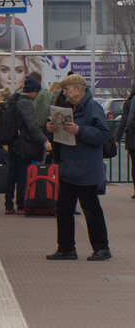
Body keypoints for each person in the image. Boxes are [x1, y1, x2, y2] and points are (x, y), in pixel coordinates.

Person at [45, 74, 111, 261]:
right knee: (63, 210)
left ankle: (102, 248)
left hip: (87, 168)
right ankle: (66, 248)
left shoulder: (92, 108)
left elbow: (103, 135)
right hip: (68, 167)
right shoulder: (66, 108)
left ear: (80, 89)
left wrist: (80, 130)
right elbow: (57, 136)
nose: (65, 93)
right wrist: (50, 129)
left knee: (91, 210)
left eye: (67, 89)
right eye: (64, 90)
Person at [4, 75, 53, 214]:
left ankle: (8, 205)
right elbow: (32, 126)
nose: (37, 95)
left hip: (13, 143)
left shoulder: (14, 99)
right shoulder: (26, 104)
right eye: (37, 92)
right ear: (31, 91)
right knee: (22, 176)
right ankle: (20, 205)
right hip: (22, 145)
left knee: (11, 175)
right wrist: (45, 141)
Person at [115, 80, 135, 199]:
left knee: (134, 164)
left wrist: (117, 138)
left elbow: (123, 122)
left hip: (131, 138)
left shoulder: (128, 102)